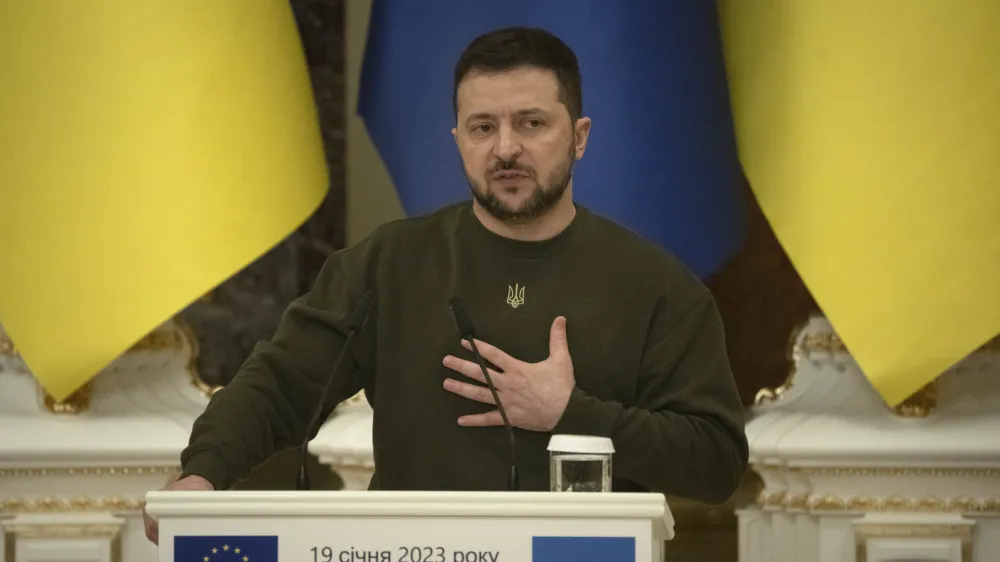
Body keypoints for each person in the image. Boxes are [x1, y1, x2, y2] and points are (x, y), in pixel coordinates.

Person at [143, 25, 748, 544]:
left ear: (580, 136)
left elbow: (716, 462)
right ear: (458, 142)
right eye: (483, 127)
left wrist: (570, 413)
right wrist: (203, 473)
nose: (506, 148)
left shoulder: (657, 286)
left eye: (531, 123)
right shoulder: (390, 263)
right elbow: (279, 385)